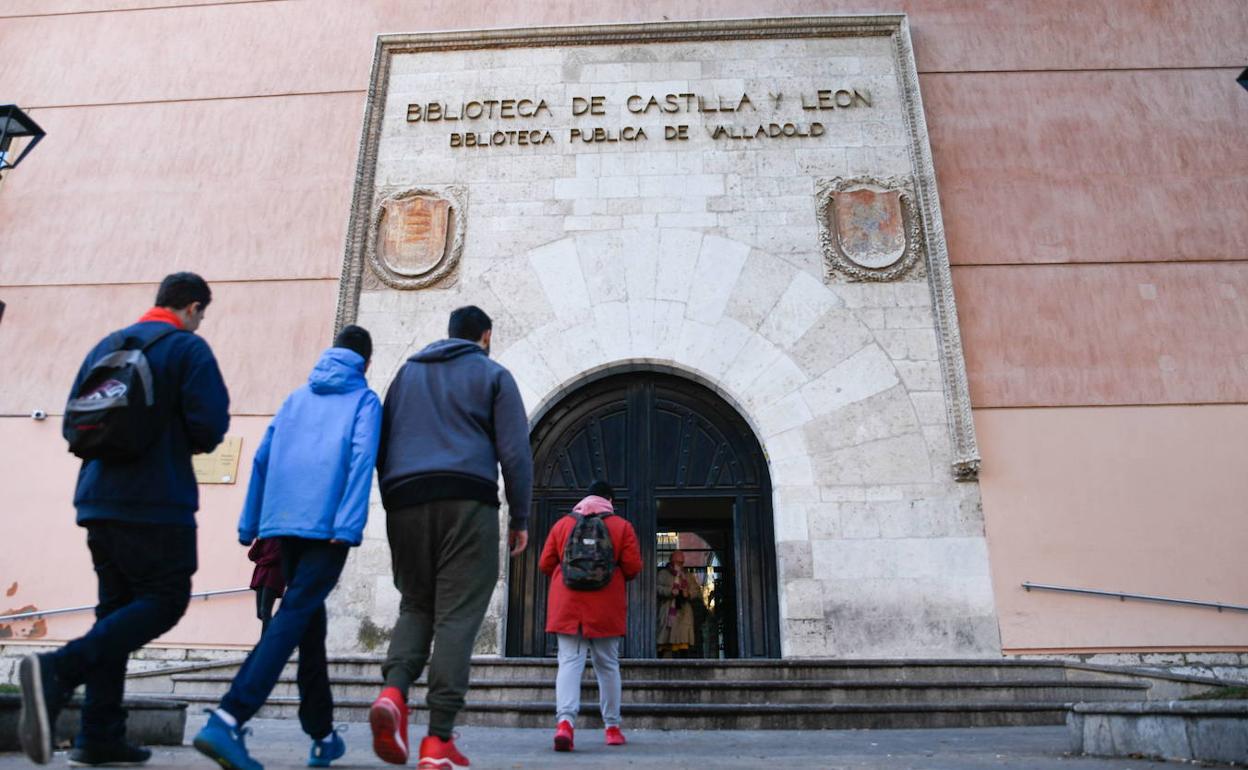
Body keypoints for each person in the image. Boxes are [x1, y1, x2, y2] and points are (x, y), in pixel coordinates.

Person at [18, 272, 230, 766]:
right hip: (156, 499)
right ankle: (57, 670)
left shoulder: (108, 345)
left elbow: (78, 420)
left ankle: (99, 733)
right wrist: (181, 440)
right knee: (166, 599)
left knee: (114, 614)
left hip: (97, 497)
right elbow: (211, 423)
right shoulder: (186, 349)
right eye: (202, 316)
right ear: (194, 308)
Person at [191, 325, 381, 770]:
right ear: (366, 364)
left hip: (283, 522)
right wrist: (348, 524)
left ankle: (322, 734)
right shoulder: (364, 400)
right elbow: (361, 458)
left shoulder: (296, 398)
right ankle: (229, 715)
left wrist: (250, 522)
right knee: (295, 614)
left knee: (308, 622)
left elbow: (262, 457)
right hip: (327, 526)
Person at [369, 305, 532, 769]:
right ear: (485, 337)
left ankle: (394, 693)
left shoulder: (405, 375)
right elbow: (516, 453)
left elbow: (383, 443)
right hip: (466, 500)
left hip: (404, 501)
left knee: (416, 604)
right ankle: (438, 738)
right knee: (457, 618)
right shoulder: (493, 375)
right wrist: (520, 517)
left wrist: (395, 499)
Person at [538, 480, 641, 752]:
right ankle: (612, 727)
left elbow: (545, 563)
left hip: (568, 606)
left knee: (569, 663)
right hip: (606, 606)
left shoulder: (563, 525)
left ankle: (565, 724)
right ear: (610, 501)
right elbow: (632, 567)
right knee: (607, 666)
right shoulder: (621, 526)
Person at [657, 550, 701, 658]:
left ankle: (684, 667)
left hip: (684, 613)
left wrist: (688, 593)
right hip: (668, 611)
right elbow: (657, 588)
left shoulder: (687, 576)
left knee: (683, 643)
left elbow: (696, 590)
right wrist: (670, 591)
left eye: (681, 562)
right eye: (677, 562)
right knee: (666, 642)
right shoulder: (663, 574)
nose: (679, 565)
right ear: (671, 561)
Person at [247, 538, 285, 635]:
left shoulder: (281, 538)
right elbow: (251, 555)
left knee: (265, 611)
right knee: (260, 614)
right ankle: (277, 633)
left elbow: (276, 556)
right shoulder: (263, 538)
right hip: (260, 578)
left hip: (273, 577)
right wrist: (259, 540)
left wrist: (259, 561)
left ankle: (265, 644)